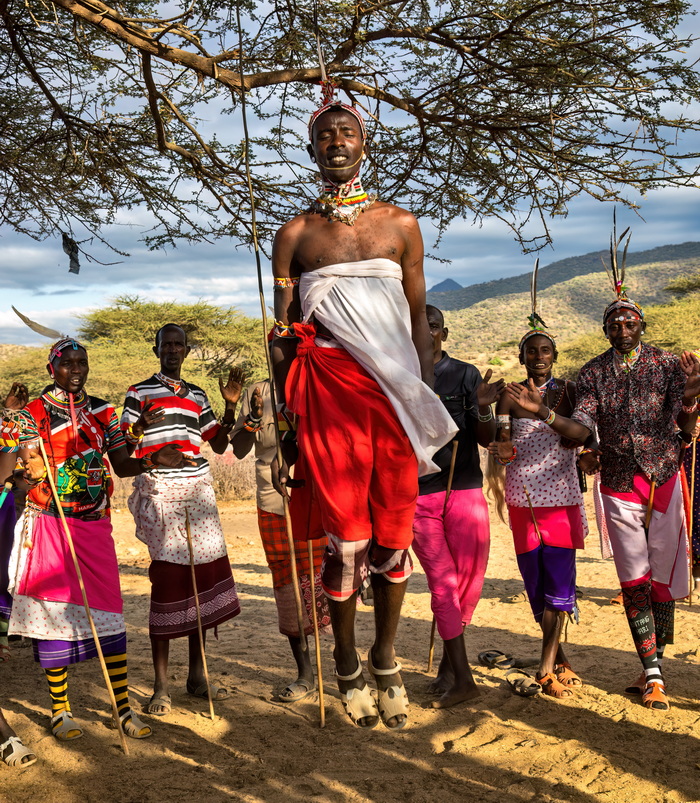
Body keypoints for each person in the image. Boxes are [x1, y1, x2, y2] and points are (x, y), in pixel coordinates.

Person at [270, 95, 457, 730]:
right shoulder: (294, 235)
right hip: (327, 392)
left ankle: (384, 656)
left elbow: (417, 319)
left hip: (395, 395)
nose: (336, 141)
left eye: (346, 131)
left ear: (364, 142)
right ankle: (347, 659)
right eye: (325, 134)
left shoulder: (401, 224)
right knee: (346, 538)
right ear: (311, 149)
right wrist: (287, 423)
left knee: (394, 535)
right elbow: (283, 334)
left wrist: (423, 399)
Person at [506, 275, 700, 711]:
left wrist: (691, 399)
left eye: (630, 323)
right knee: (634, 578)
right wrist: (550, 417)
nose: (623, 330)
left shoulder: (668, 365)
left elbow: (685, 428)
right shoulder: (593, 373)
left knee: (662, 578)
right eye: (614, 325)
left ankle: (654, 665)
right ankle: (653, 675)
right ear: (605, 330)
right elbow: (582, 426)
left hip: (664, 478)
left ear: (642, 325)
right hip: (617, 483)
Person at [7, 337, 189, 742]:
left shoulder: (104, 412)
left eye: (82, 363)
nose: (76, 371)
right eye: (68, 364)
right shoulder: (32, 414)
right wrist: (26, 467)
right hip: (50, 524)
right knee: (53, 618)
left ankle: (122, 709)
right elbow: (23, 470)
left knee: (109, 615)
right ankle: (60, 710)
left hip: (94, 526)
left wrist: (151, 459)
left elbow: (121, 465)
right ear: (51, 368)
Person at [121, 324, 242, 716]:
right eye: (166, 344)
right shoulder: (139, 392)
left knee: (200, 582)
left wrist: (230, 407)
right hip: (161, 492)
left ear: (187, 351)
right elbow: (124, 444)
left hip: (198, 491)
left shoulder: (197, 395)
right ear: (156, 349)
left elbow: (218, 443)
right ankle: (160, 687)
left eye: (179, 344)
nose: (172, 350)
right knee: (169, 582)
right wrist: (141, 428)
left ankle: (197, 676)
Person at [489, 306, 588, 698]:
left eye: (545, 350)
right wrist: (503, 453)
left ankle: (546, 668)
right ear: (521, 357)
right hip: (523, 500)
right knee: (536, 582)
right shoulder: (509, 396)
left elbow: (581, 434)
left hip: (562, 499)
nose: (539, 356)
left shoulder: (570, 392)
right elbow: (504, 443)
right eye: (532, 351)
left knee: (559, 582)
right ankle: (559, 658)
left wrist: (542, 411)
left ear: (555, 355)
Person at [412, 305, 502, 708]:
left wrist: (481, 407)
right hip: (418, 496)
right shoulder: (399, 376)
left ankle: (450, 668)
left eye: (432, 326)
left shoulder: (465, 375)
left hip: (463, 488)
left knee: (468, 583)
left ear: (443, 333)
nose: (425, 332)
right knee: (443, 584)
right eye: (418, 326)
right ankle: (464, 680)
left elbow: (485, 437)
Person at [231, 379, 330, 702]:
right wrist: (253, 418)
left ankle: (345, 665)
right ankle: (305, 673)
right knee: (287, 583)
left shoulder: (319, 380)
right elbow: (240, 449)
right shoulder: (257, 392)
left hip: (318, 494)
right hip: (273, 500)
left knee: (327, 578)